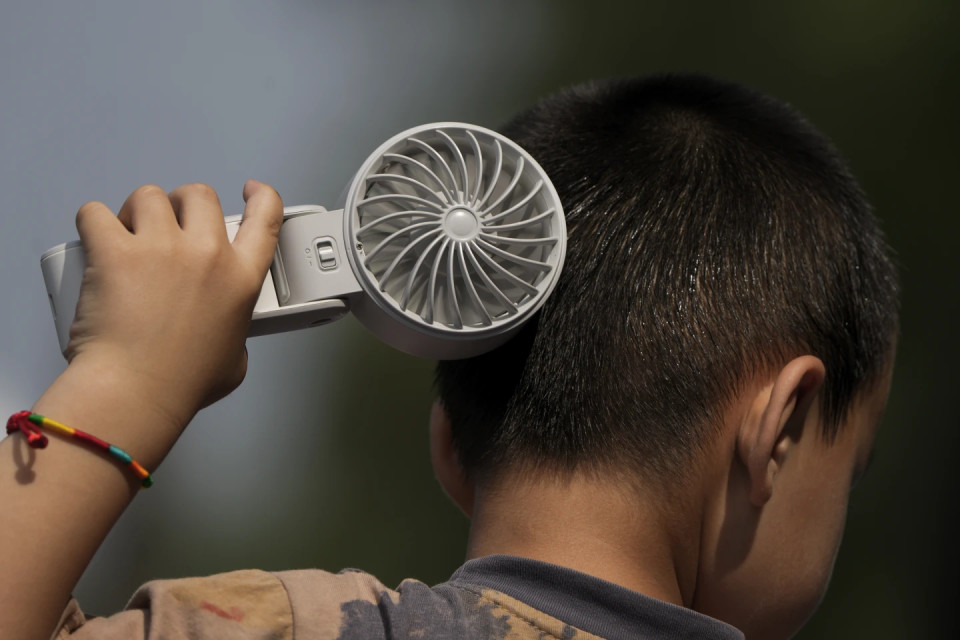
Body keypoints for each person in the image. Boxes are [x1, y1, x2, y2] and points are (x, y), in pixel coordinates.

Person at [0, 73, 898, 640]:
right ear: (778, 431)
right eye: (851, 471)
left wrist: (124, 383)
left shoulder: (289, 629)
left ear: (449, 450)